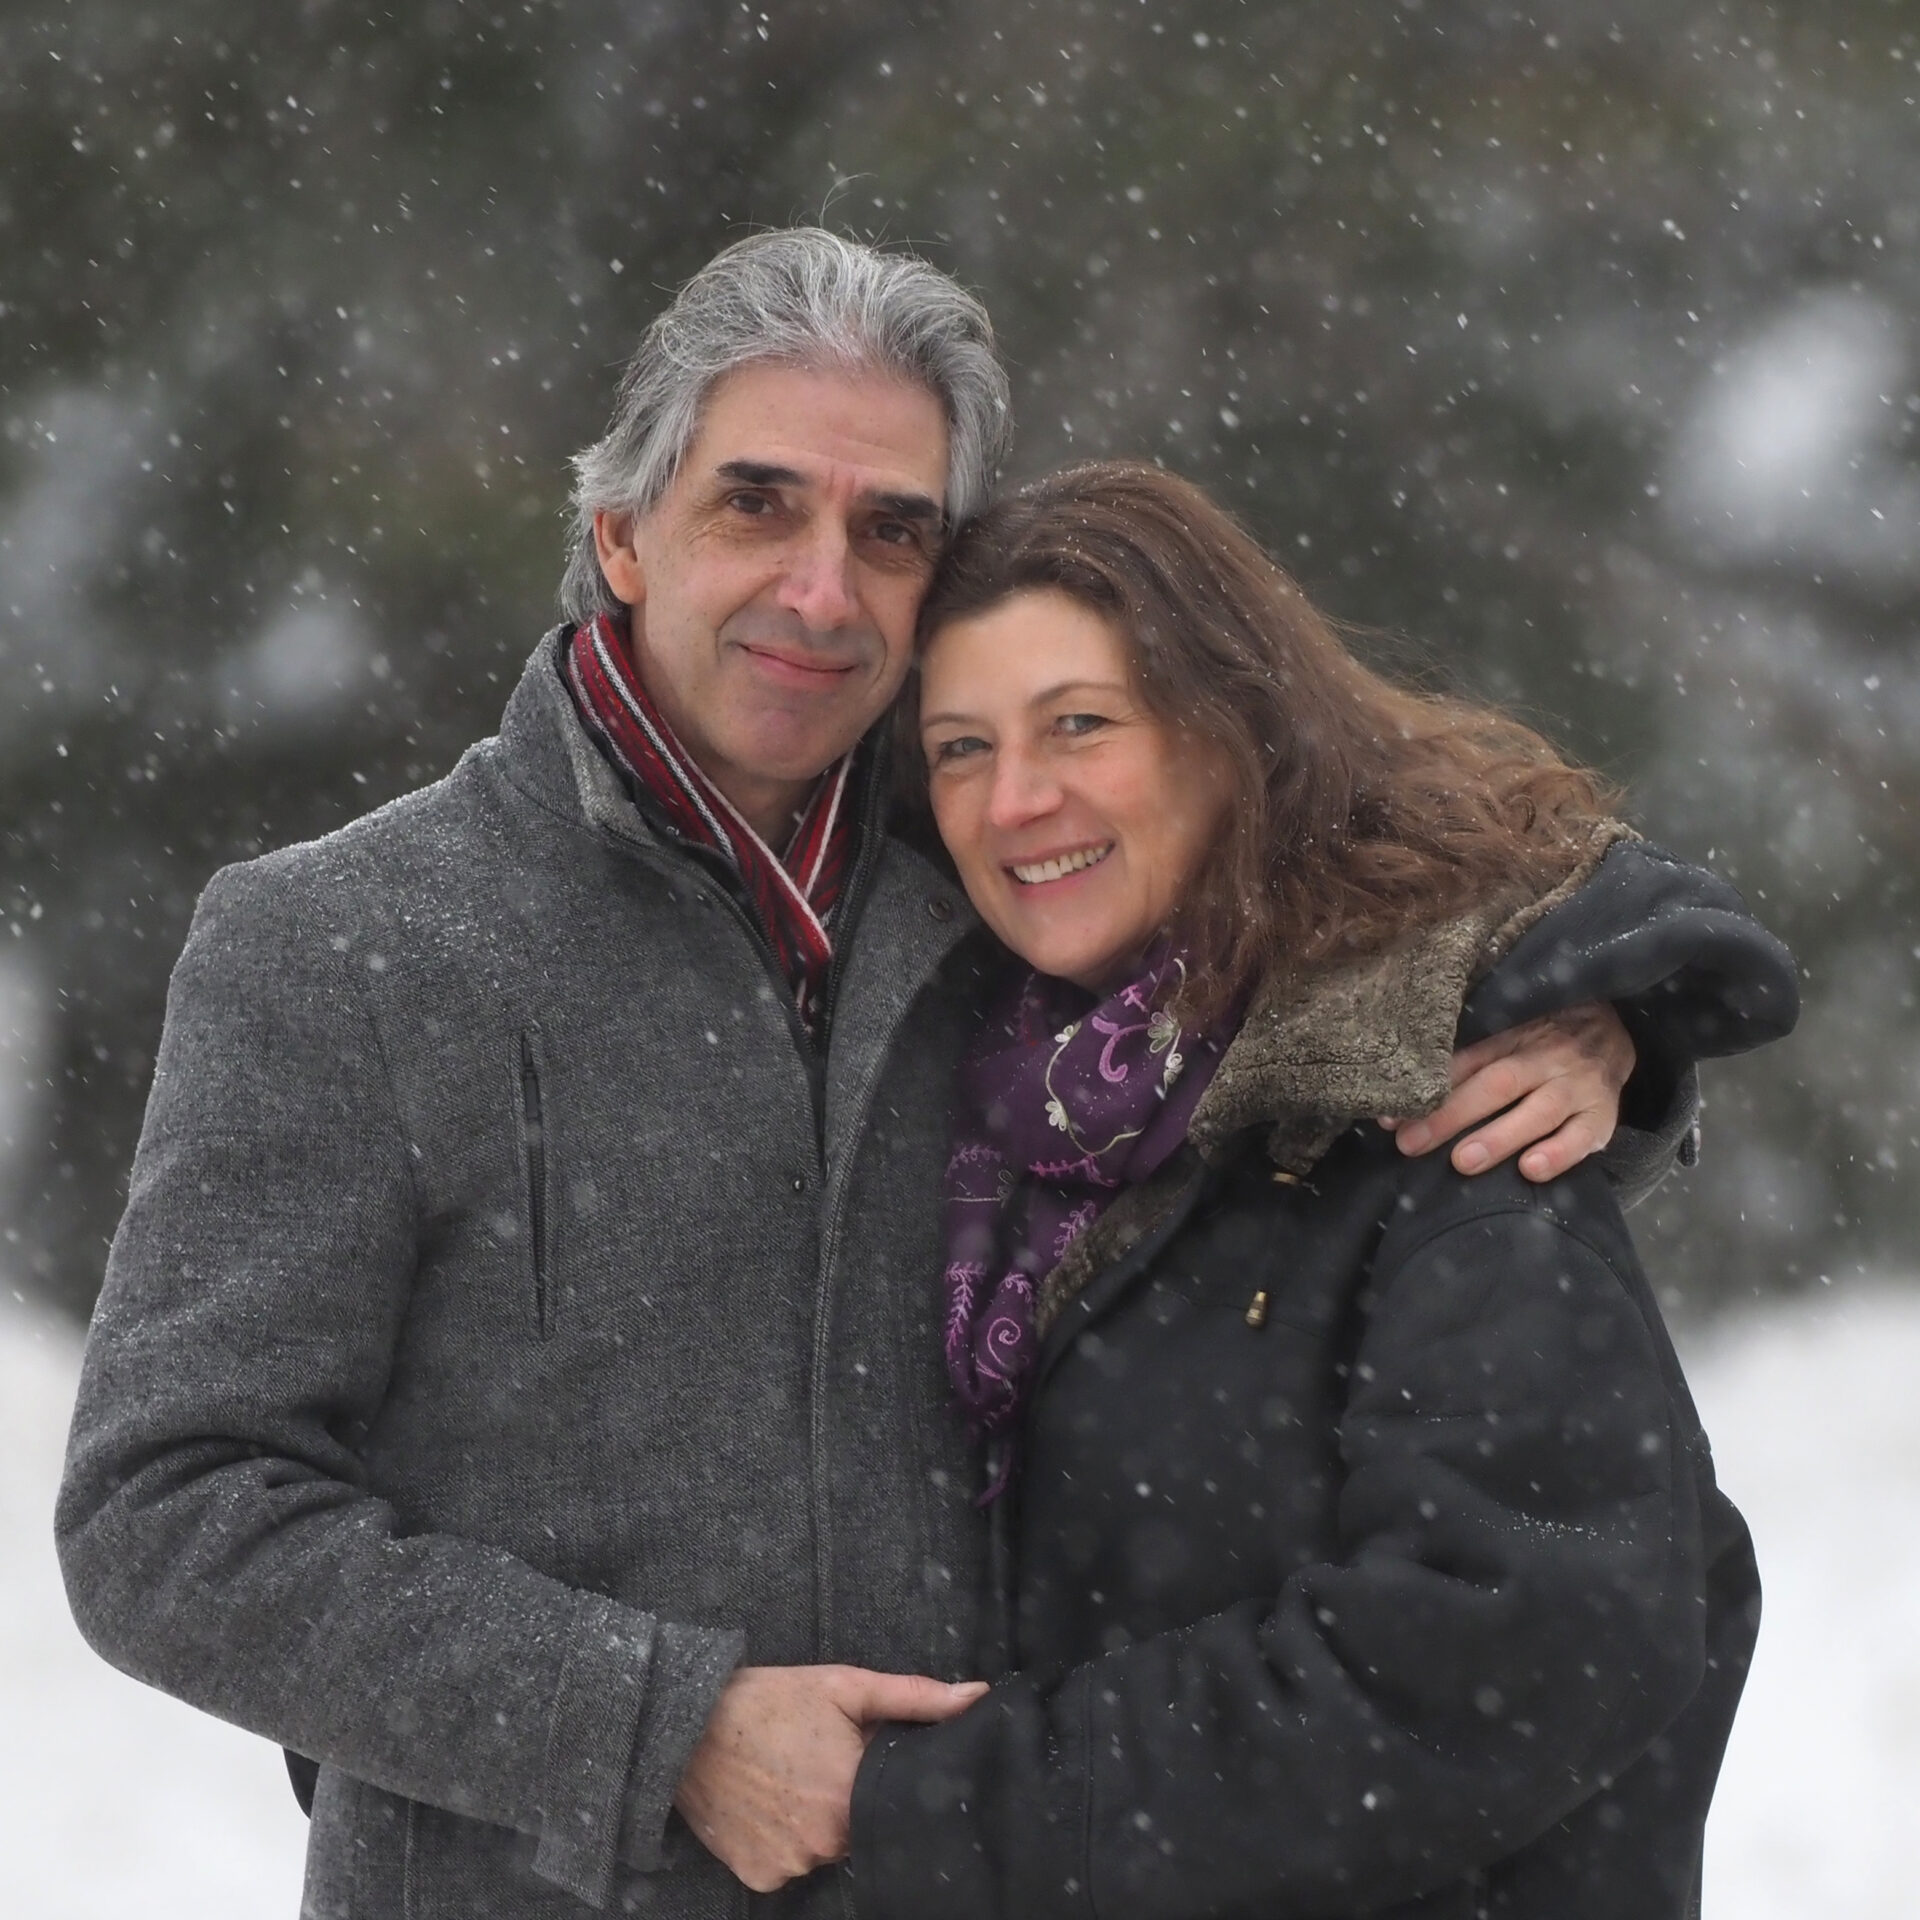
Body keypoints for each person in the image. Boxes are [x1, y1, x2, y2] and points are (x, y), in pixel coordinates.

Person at [55, 230, 1741, 1920]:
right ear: (621, 534)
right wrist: (661, 1728)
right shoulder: (347, 947)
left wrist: (1590, 1014)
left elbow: (1382, 856)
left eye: (891, 531)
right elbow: (167, 1515)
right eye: (757, 504)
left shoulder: (1018, 887)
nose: (819, 587)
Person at [847, 460, 1798, 1919]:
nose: (1017, 799)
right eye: (961, 747)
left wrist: (939, 1814)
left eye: (1079, 725)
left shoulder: (1447, 1111)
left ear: (1229, 733)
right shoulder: (966, 1119)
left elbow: (1517, 1643)